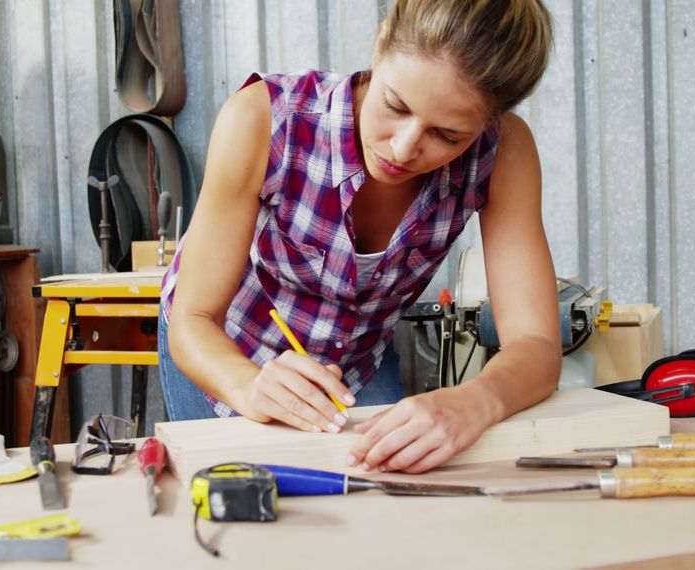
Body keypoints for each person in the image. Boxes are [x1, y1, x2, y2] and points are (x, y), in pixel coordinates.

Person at [158, 0, 561, 474]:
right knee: (246, 514)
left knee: (381, 515)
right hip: (228, 351)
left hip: (356, 361)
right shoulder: (265, 118)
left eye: (448, 136)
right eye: (395, 105)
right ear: (380, 43)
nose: (404, 148)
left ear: (490, 120)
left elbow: (536, 343)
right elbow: (194, 320)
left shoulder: (504, 152)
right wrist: (249, 385)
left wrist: (475, 402)